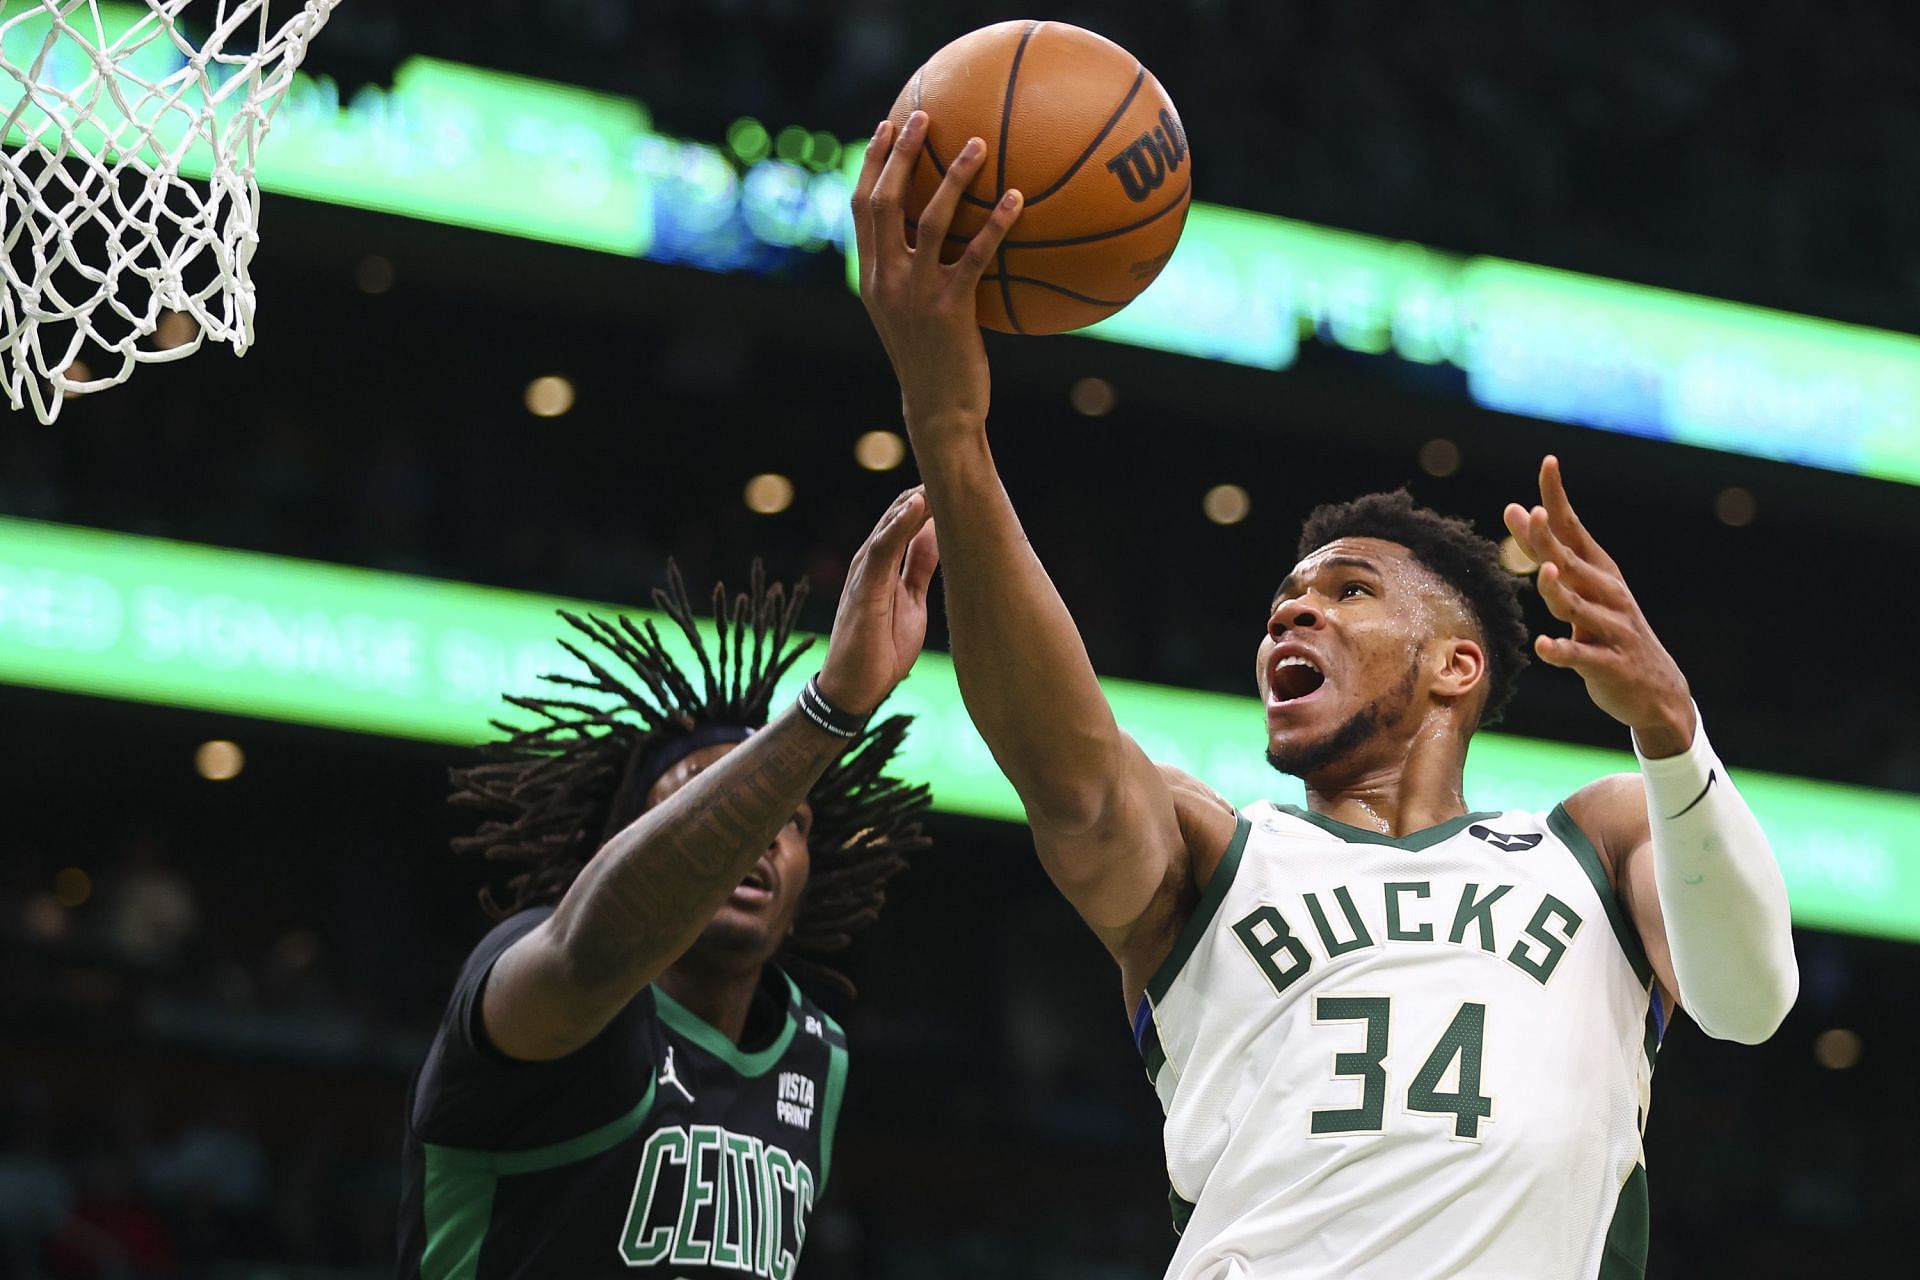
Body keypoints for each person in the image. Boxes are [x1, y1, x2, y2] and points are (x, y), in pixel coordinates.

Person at [849, 111, 1798, 1279]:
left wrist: (1672, 731)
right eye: (1285, 602)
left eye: (1349, 591)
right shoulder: (1215, 851)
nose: (1290, 614)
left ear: (1458, 664)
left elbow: (1751, 1000)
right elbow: (1072, 767)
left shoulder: (1594, 838)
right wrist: (951, 427)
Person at [395, 490, 939, 1278]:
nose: (760, 832)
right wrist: (828, 710)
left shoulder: (820, 1056)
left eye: (788, 819)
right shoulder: (533, 976)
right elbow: (590, 954)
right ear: (631, 844)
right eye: (704, 799)